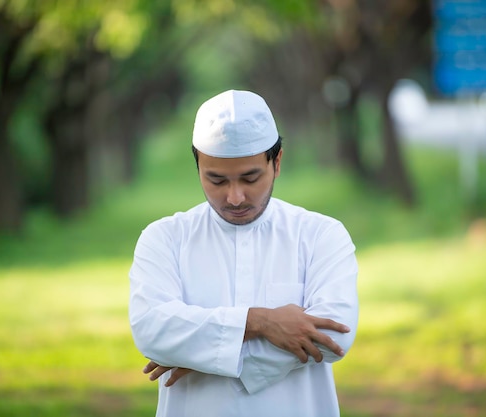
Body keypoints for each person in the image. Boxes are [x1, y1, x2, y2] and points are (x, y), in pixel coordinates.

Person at [128, 89, 359, 417]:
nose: (235, 197)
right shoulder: (164, 239)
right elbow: (153, 329)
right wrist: (261, 322)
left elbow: (332, 336)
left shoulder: (321, 235)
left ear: (276, 163)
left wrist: (204, 357)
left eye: (250, 178)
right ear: (197, 167)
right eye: (217, 180)